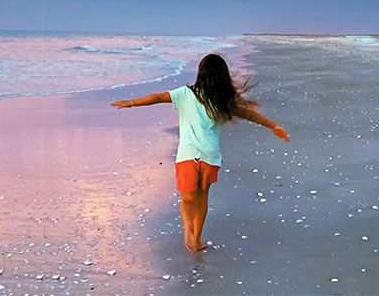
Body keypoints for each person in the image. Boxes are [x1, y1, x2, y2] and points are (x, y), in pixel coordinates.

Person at [111, 53, 290, 252]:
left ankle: (196, 236)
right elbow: (160, 97)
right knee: (188, 196)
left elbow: (248, 114)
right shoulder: (184, 94)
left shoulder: (222, 101)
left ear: (201, 73)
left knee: (201, 195)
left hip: (209, 157)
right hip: (187, 155)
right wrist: (132, 103)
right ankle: (189, 230)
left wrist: (273, 126)